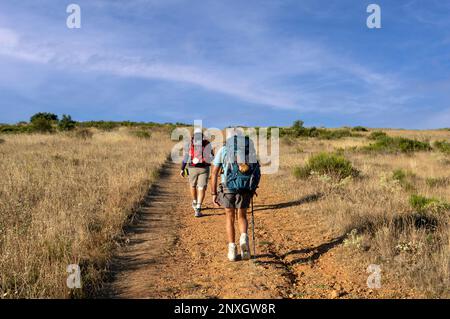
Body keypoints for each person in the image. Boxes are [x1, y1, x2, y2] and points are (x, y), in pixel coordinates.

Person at [210, 130, 260, 261]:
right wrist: (253, 188)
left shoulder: (224, 150)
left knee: (229, 218)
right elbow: (256, 170)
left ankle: (232, 250)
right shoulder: (249, 150)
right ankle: (244, 237)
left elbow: (214, 173)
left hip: (228, 188)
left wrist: (213, 193)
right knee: (242, 216)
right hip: (244, 187)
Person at [180, 128, 214, 217]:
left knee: (192, 185)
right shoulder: (207, 143)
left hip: (192, 168)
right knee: (201, 187)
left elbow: (186, 157)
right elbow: (212, 156)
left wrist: (182, 168)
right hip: (204, 168)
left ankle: (195, 202)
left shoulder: (190, 143)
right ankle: (198, 208)